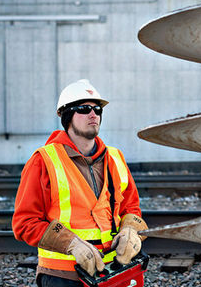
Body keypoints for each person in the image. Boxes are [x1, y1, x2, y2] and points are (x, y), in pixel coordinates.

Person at [12, 79, 147, 287]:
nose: (93, 114)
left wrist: (130, 229)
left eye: (97, 109)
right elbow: (25, 223)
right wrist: (71, 243)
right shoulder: (43, 161)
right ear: (67, 116)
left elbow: (131, 208)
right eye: (84, 109)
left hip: (111, 273)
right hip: (63, 277)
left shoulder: (115, 158)